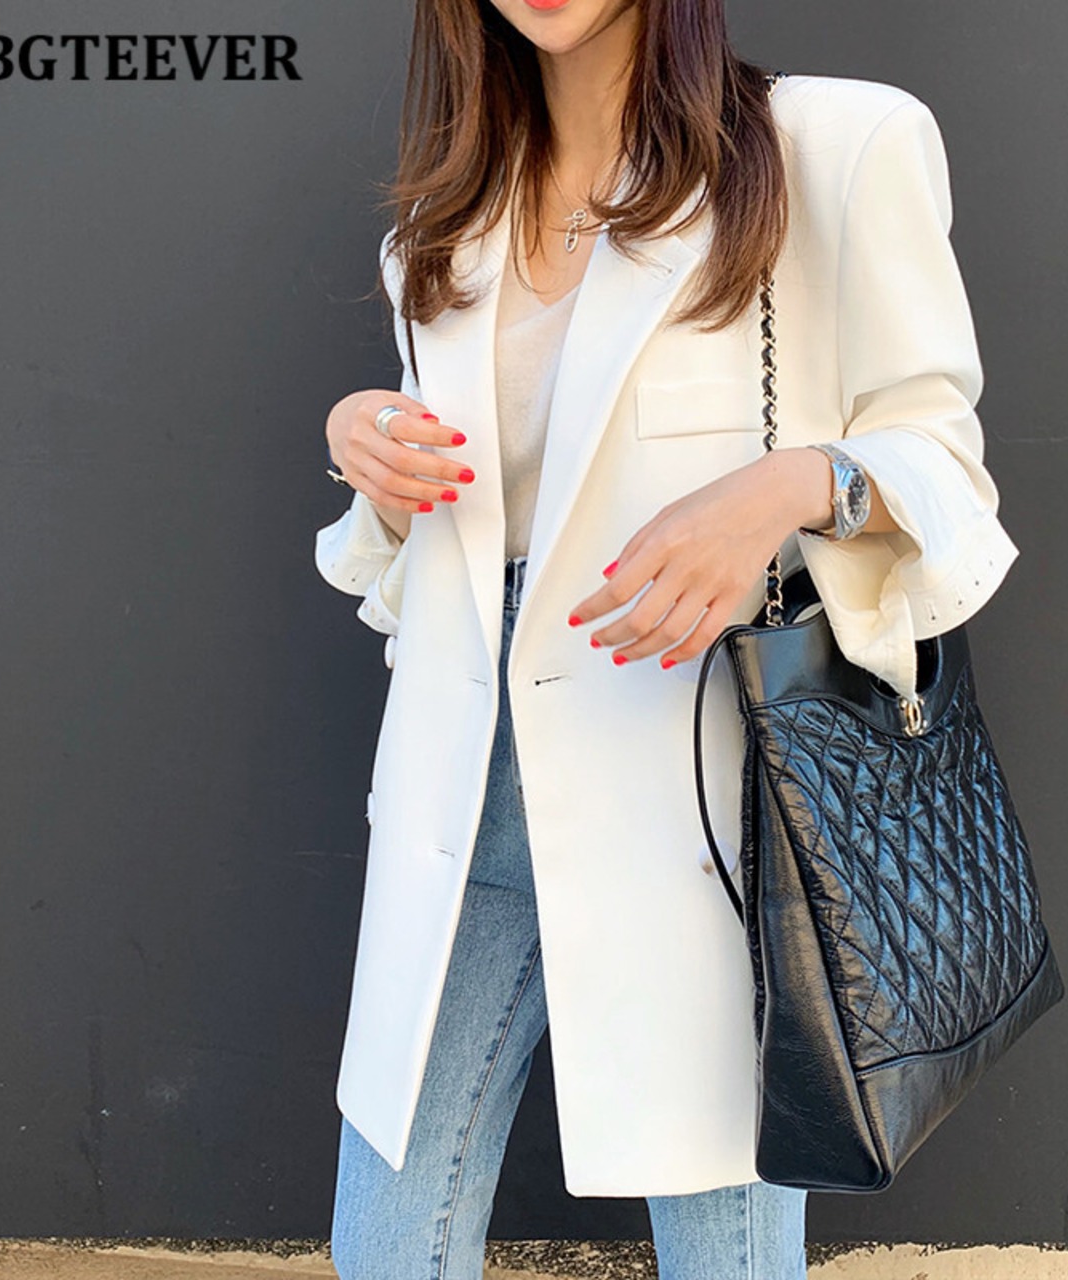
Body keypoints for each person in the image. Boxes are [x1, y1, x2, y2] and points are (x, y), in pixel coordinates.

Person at [316, 1, 1020, 1276]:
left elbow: (943, 468)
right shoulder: (443, 228)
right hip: (460, 790)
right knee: (385, 1238)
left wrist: (780, 488)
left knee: (722, 1247)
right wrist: (369, 448)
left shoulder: (828, 146)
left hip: (700, 791)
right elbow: (449, 540)